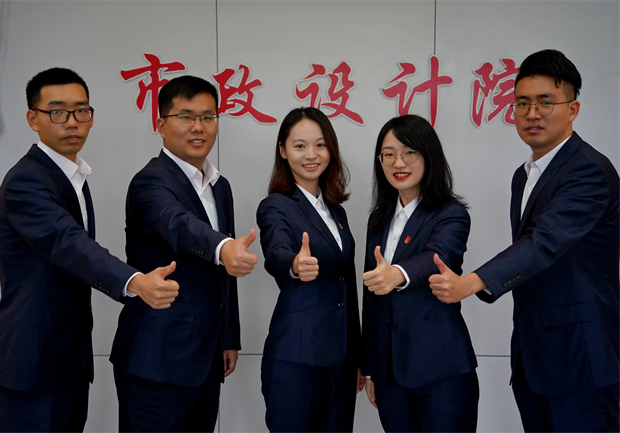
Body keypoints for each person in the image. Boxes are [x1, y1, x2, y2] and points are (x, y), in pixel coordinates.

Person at [429, 49, 619, 432]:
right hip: (534, 358)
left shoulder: (588, 171)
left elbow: (543, 242)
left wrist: (472, 283)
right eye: (522, 103)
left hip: (580, 358)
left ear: (573, 109)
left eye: (546, 102)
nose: (532, 113)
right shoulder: (525, 174)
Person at [0, 67, 180, 432]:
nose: (72, 122)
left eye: (81, 111)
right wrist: (134, 281)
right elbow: (69, 244)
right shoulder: (26, 180)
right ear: (33, 119)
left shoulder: (71, 174)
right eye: (57, 112)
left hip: (66, 360)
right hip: (33, 364)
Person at [109, 74, 257, 432]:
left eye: (208, 117)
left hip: (206, 356)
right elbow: (177, 223)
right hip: (155, 360)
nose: (198, 127)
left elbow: (224, 270)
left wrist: (228, 337)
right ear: (161, 125)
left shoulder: (220, 186)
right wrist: (222, 247)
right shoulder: (150, 181)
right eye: (186, 116)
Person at [361, 114, 479, 432]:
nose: (398, 162)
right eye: (388, 154)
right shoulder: (378, 220)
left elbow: (438, 256)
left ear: (429, 156)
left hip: (441, 369)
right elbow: (371, 299)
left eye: (409, 152)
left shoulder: (451, 214)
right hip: (389, 374)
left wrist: (398, 273)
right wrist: (370, 367)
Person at [256, 107, 362, 432]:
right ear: (283, 150)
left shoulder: (337, 212)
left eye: (320, 145)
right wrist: (294, 265)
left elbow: (347, 286)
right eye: (300, 146)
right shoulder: (276, 205)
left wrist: (358, 355)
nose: (311, 155)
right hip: (297, 359)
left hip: (341, 362)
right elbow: (276, 252)